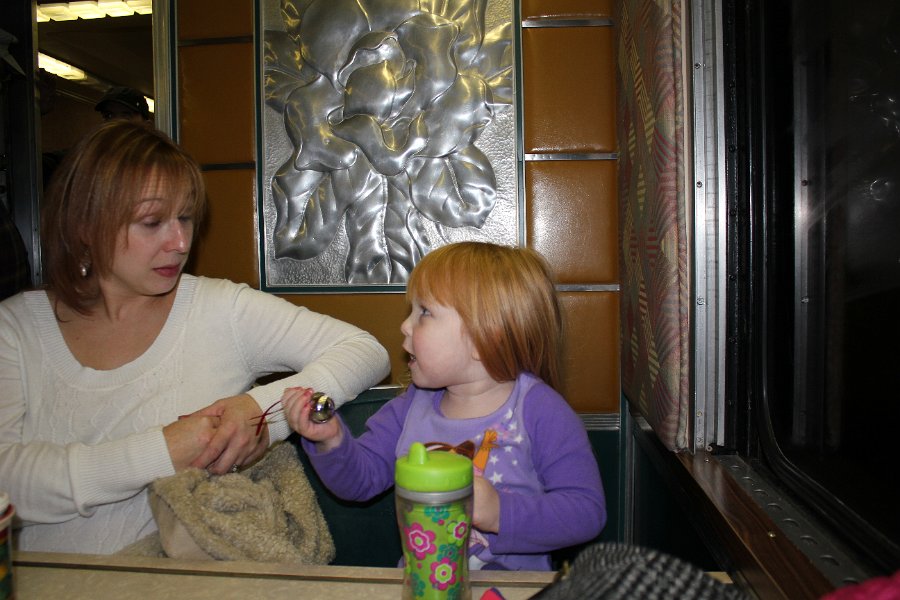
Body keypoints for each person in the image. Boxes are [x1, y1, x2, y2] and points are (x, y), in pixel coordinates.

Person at [0, 120, 390, 554]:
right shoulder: (14, 329)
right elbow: (7, 481)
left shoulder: (221, 308)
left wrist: (261, 412)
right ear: (85, 225)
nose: (180, 242)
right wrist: (162, 450)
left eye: (185, 218)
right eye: (152, 222)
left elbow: (365, 351)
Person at [283, 241, 607, 571]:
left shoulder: (540, 411)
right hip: (426, 586)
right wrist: (331, 440)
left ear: (484, 339)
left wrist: (498, 512)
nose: (405, 325)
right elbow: (359, 482)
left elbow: (586, 513)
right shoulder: (410, 408)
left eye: (424, 312)